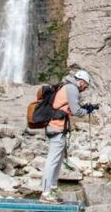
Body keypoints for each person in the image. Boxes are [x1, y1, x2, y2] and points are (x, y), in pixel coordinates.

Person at [40, 70, 98, 204]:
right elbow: (77, 111)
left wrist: (86, 107)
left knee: (58, 160)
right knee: (53, 160)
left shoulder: (66, 86)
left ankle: (52, 189)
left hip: (57, 126)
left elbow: (70, 108)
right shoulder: (72, 88)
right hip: (57, 127)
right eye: (86, 86)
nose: (85, 89)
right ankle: (46, 193)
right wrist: (88, 110)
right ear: (82, 81)